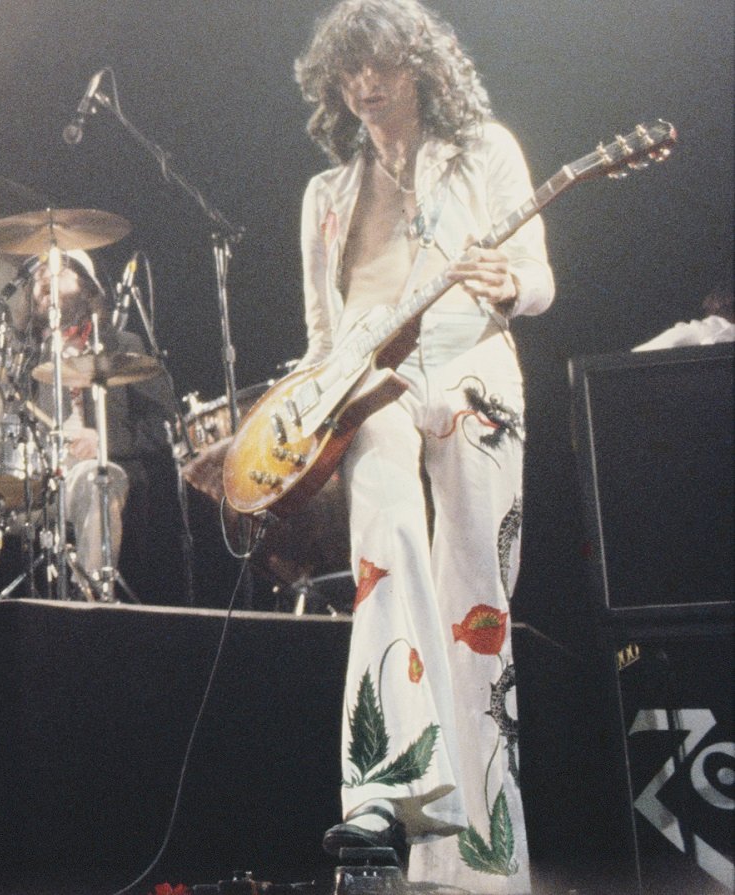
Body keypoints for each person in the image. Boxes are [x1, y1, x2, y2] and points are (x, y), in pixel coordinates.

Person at [292, 1, 555, 891]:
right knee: (386, 536)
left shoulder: (484, 150)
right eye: (351, 70)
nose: (366, 85)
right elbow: (323, 344)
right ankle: (385, 787)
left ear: (422, 70)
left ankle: (476, 864)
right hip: (376, 383)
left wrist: (509, 279)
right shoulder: (325, 198)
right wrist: (278, 432)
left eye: (385, 67)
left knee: (475, 607)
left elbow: (542, 278)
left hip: (476, 367)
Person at [20, 250, 178, 600]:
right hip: (36, 486)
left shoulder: (123, 347)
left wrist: (104, 442)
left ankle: (94, 604)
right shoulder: (26, 357)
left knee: (95, 479)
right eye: (39, 274)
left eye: (58, 271)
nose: (45, 277)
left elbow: (166, 425)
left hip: (97, 477)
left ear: (87, 287)